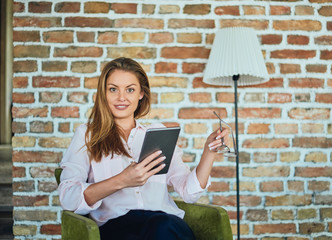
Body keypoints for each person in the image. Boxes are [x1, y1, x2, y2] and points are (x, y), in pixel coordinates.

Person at [58, 57, 229, 240]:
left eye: (130, 90)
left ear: (141, 94)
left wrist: (209, 153)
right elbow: (68, 198)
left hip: (166, 225)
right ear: (103, 93)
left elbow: (189, 192)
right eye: (113, 89)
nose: (121, 97)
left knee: (162, 226)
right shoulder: (87, 135)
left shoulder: (158, 133)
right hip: (118, 228)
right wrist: (122, 180)